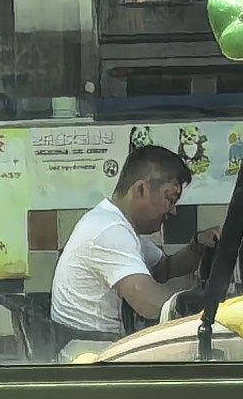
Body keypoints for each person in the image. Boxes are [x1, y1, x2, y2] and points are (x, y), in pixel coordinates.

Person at [44, 141, 204, 357]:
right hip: (92, 362)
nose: (173, 211)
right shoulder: (109, 229)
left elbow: (165, 268)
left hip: (102, 351)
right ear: (141, 189)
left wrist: (198, 245)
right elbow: (149, 303)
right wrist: (207, 310)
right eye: (170, 198)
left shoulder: (115, 224)